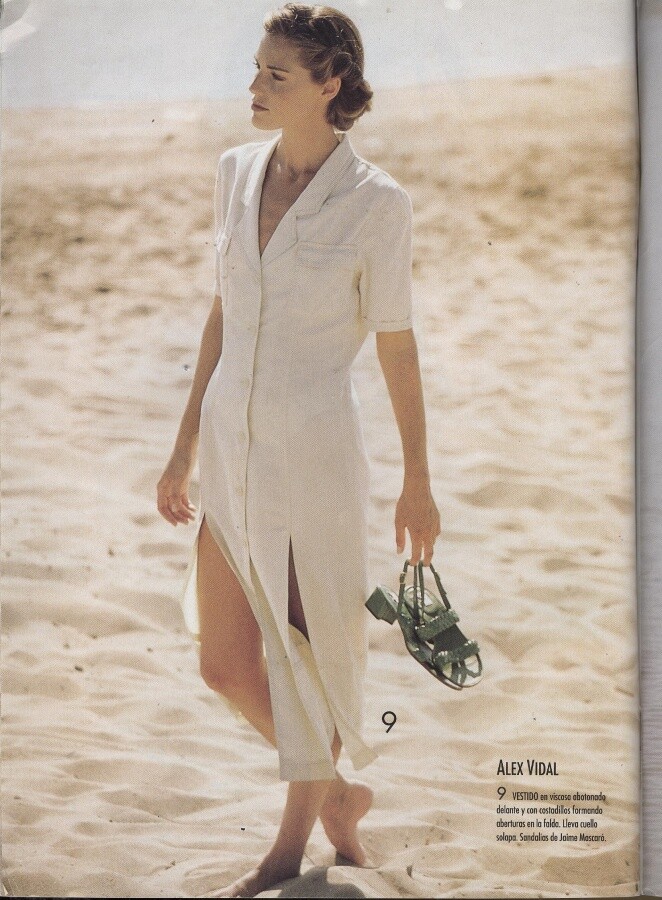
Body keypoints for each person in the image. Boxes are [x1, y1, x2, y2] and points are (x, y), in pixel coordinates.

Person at [157, 3, 440, 896]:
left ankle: (288, 850)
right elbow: (222, 312)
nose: (253, 87)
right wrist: (182, 447)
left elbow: (396, 344)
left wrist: (418, 480)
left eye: (275, 75)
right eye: (256, 69)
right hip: (229, 449)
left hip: (312, 455)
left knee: (306, 654)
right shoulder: (235, 172)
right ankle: (339, 797)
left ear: (330, 84)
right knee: (222, 663)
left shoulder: (377, 203)